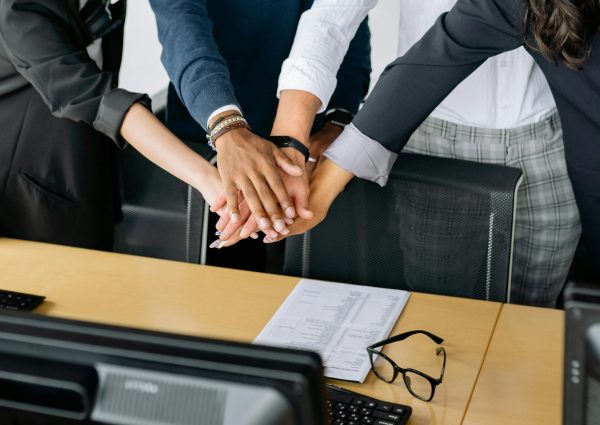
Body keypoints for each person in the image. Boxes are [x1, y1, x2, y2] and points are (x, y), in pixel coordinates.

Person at [237, 0, 600, 301]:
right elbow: (336, 21)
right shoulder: (498, 9)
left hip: (550, 135)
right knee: (437, 312)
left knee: (537, 308)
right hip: (431, 137)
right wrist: (290, 148)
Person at [149, 0, 371, 268]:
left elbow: (342, 19)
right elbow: (182, 29)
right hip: (211, 146)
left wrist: (338, 120)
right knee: (225, 285)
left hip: (311, 148)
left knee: (316, 285)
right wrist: (227, 128)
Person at [0, 0, 225, 250]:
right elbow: (95, 96)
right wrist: (209, 181)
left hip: (90, 163)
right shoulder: (18, 8)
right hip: (31, 183)